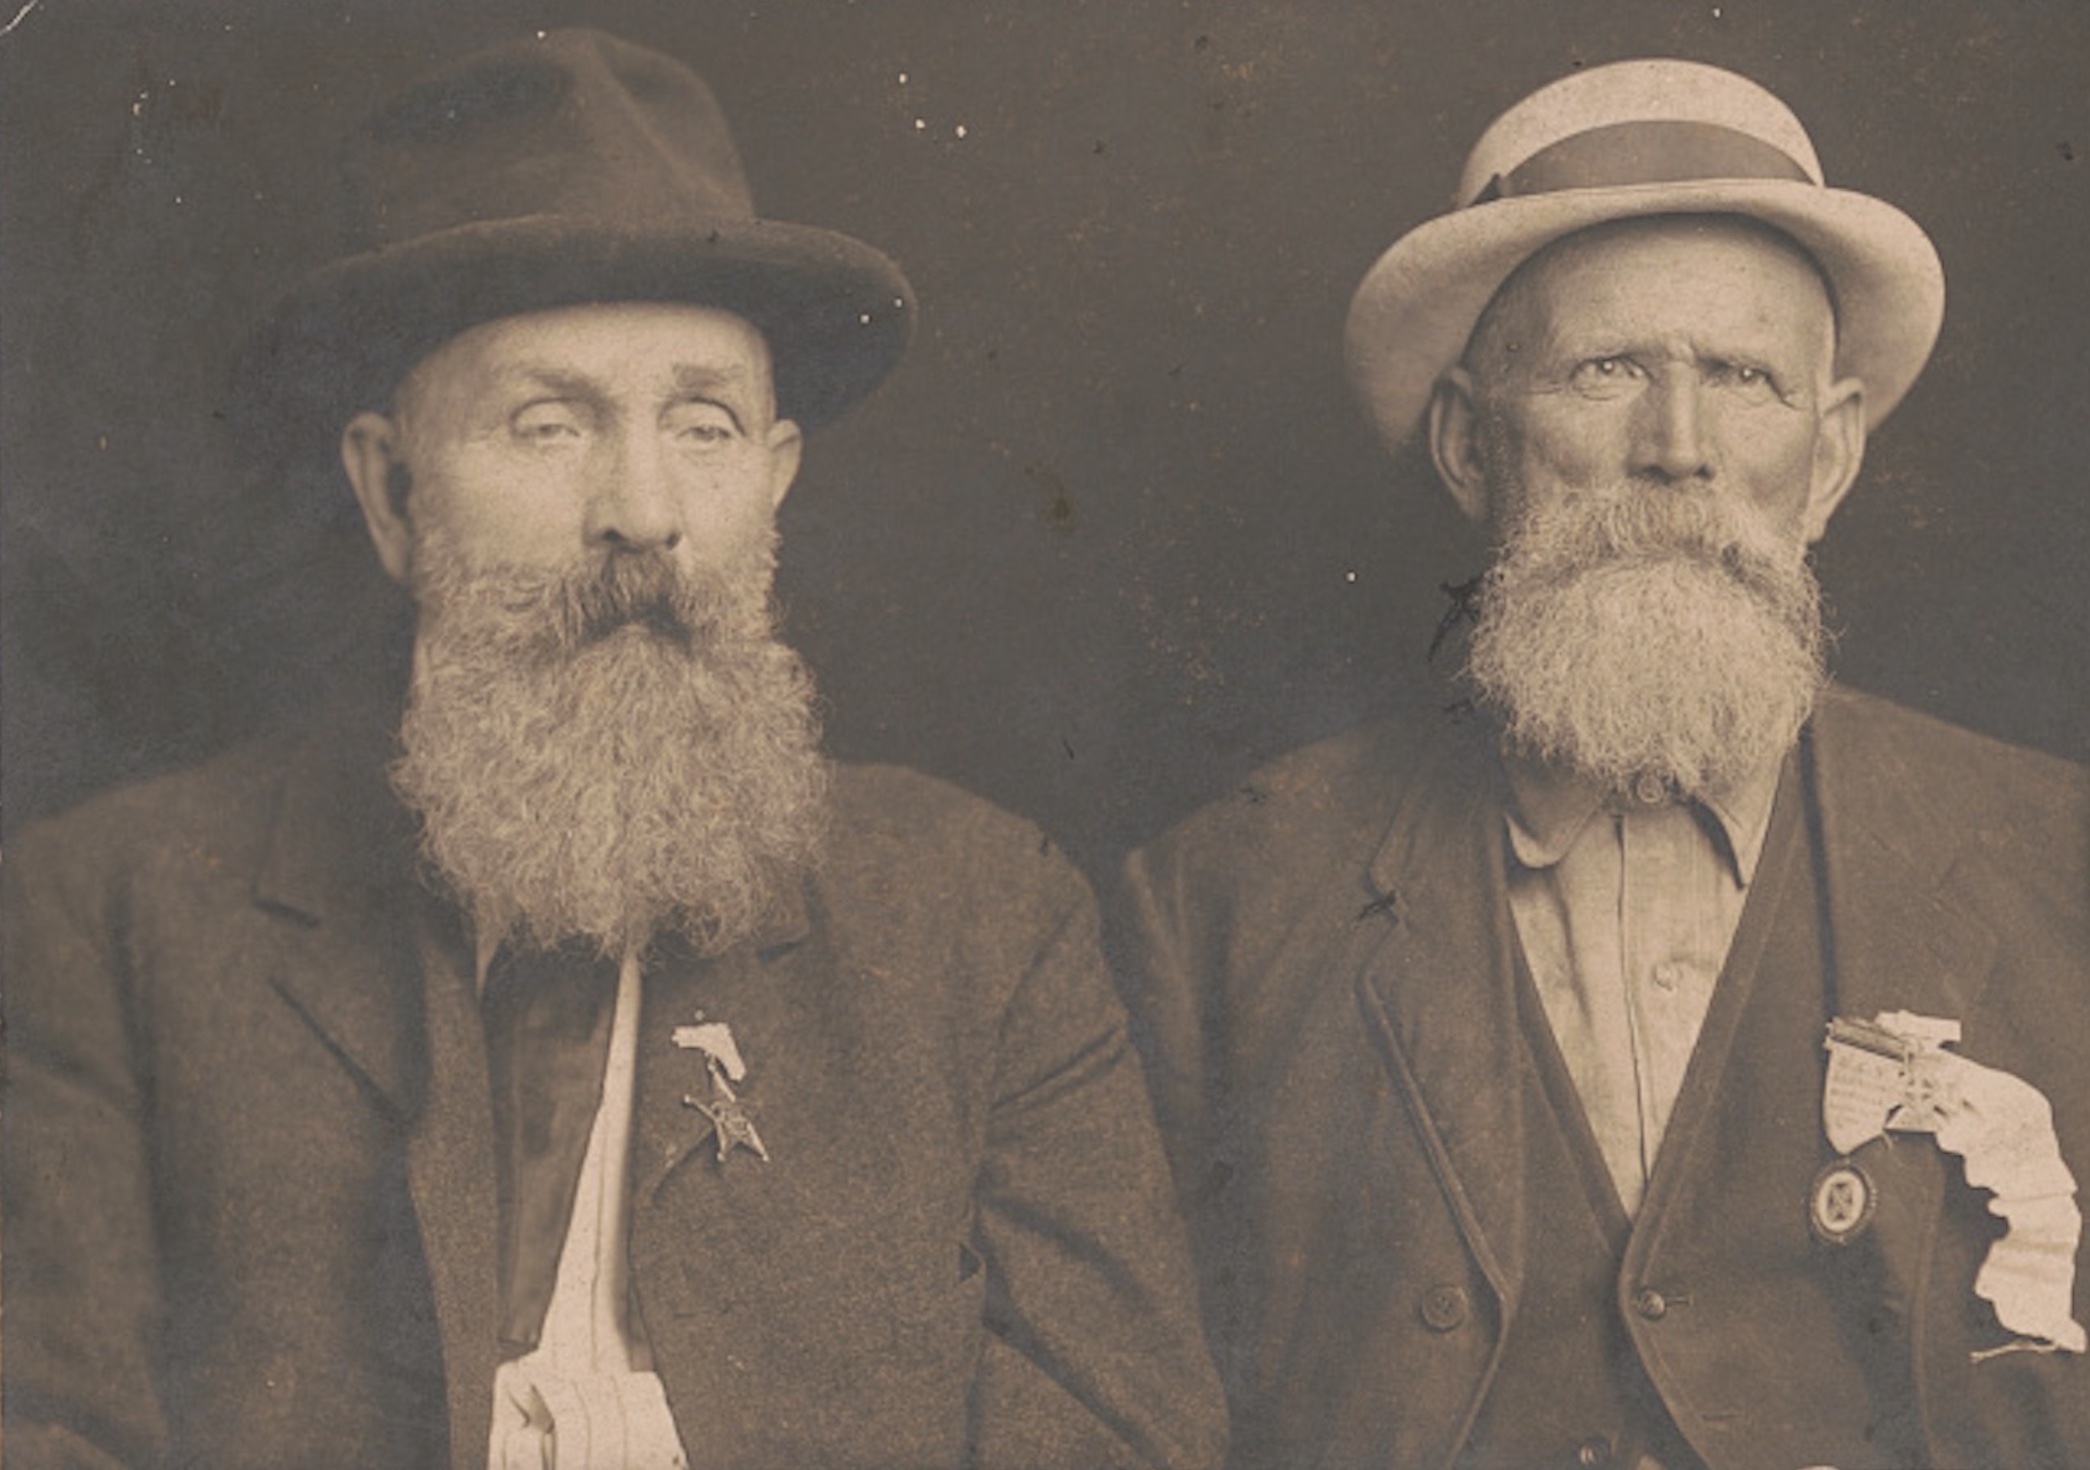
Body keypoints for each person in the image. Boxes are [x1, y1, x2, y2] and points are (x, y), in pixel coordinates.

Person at [3, 29, 1224, 1470]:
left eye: (700, 424)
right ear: (393, 495)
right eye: (547, 423)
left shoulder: (983, 920)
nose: (642, 509)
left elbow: (1119, 1436)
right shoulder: (109, 915)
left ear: (770, 484)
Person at [1116, 58, 2089, 1470]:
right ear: (1466, 444)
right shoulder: (1220, 904)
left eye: (1742, 381)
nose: (1675, 449)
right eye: (1605, 371)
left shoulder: (2061, 867)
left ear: (1827, 459)